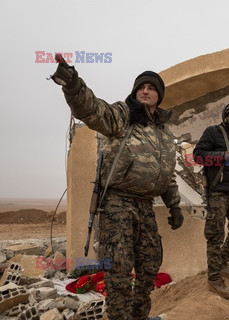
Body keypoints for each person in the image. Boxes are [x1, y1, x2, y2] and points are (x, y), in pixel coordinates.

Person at [51, 56, 183, 320]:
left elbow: (166, 174)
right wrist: (73, 85)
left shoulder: (164, 134)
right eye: (141, 87)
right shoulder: (123, 117)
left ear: (159, 95)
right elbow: (93, 110)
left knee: (149, 267)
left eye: (151, 88)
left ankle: (139, 316)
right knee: (119, 271)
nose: (145, 91)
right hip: (117, 203)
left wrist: (174, 205)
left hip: (145, 204)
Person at [193, 101, 229, 299]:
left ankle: (222, 262)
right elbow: (198, 156)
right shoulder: (213, 132)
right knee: (215, 234)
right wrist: (220, 156)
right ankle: (214, 278)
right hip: (218, 192)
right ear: (226, 115)